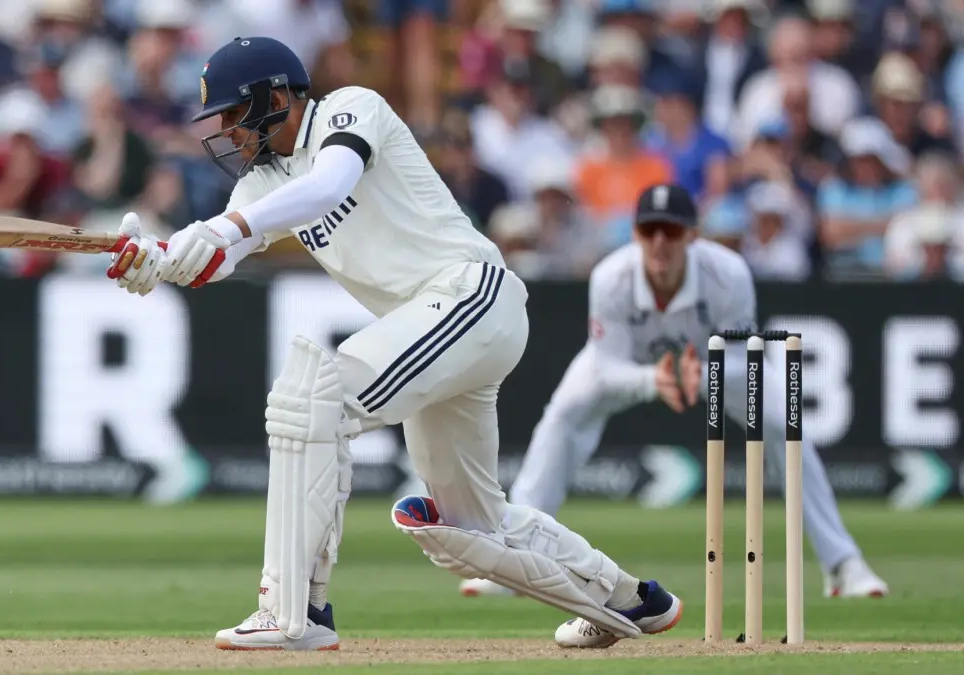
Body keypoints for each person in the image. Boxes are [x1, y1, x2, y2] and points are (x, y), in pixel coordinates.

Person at [105, 36, 682, 651]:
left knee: (315, 397)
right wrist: (158, 260)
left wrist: (220, 229)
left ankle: (297, 613)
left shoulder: (349, 109)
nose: (226, 131)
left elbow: (327, 186)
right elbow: (218, 256)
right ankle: (630, 598)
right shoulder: (262, 183)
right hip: (438, 331)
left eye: (232, 114)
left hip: (470, 295)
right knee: (469, 534)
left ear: (275, 98)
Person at [459, 184, 890, 604]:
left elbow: (742, 361)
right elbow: (607, 367)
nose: (660, 242)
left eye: (672, 231)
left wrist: (699, 376)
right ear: (635, 234)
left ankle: (843, 564)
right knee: (562, 416)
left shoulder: (728, 274)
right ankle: (514, 562)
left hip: (715, 367)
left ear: (692, 234)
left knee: (783, 421)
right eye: (650, 231)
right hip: (630, 368)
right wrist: (654, 381)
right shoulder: (612, 277)